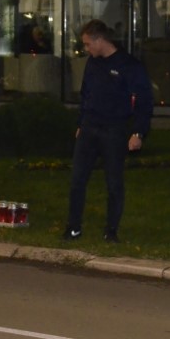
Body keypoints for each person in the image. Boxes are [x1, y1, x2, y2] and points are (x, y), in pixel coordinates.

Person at [65, 19, 153, 244]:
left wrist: (138, 132)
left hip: (114, 129)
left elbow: (144, 101)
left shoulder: (128, 65)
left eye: (88, 44)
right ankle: (73, 227)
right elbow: (86, 94)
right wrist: (81, 124)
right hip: (89, 127)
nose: (86, 49)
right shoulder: (93, 63)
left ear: (99, 40)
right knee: (77, 180)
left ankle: (111, 230)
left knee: (114, 182)